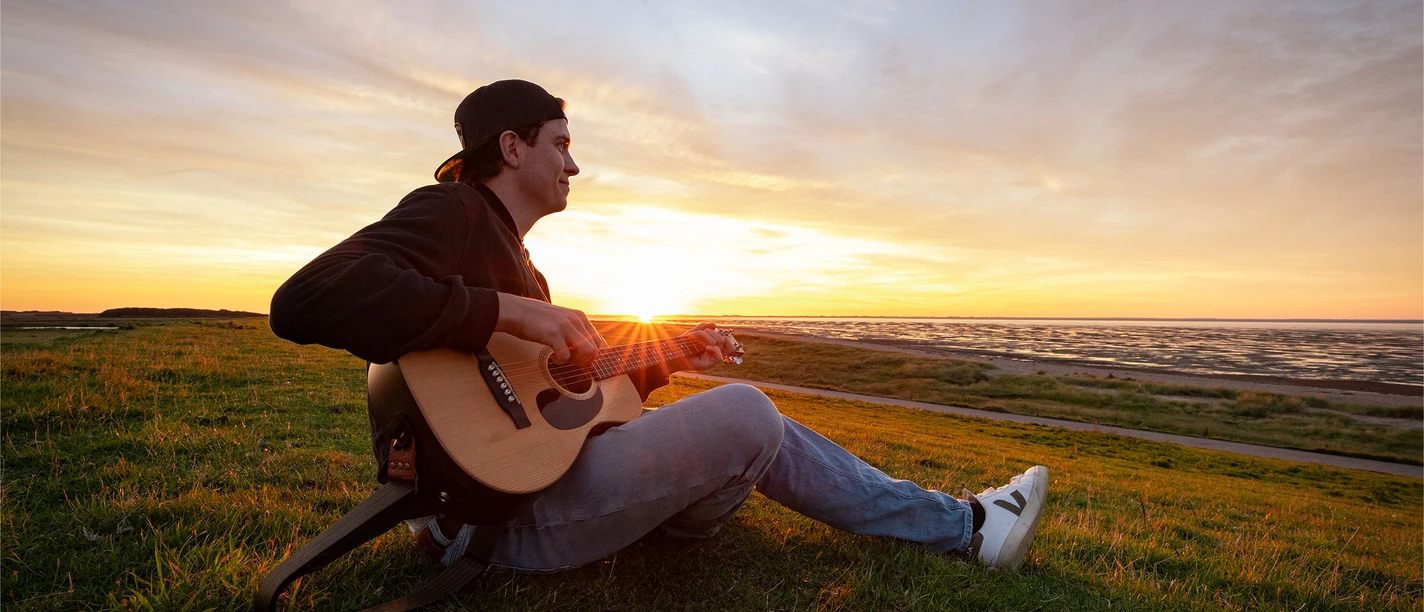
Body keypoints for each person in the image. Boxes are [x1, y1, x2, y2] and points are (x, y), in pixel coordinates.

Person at [268, 79, 1049, 574]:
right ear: (511, 146)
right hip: (505, 521)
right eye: (562, 146)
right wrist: (519, 311)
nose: (574, 166)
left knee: (757, 423)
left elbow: (565, 411)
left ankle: (966, 523)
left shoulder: (514, 253)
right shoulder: (452, 210)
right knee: (748, 412)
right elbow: (307, 298)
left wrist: (664, 358)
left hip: (526, 496)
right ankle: (970, 530)